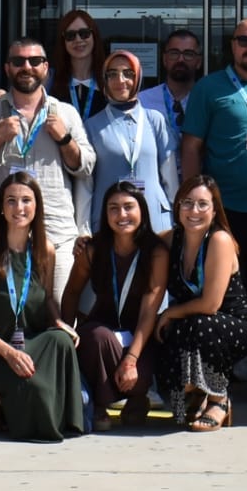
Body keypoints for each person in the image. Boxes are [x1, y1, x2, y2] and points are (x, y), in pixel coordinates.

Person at [178, 16, 247, 406]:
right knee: (222, 296)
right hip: (227, 214)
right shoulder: (209, 88)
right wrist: (190, 202)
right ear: (233, 45)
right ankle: (216, 376)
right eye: (245, 40)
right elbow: (192, 146)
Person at [0, 37, 96, 294]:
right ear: (7, 68)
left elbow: (87, 166)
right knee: (6, 318)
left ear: (46, 68)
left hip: (56, 234)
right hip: (2, 236)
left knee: (57, 313)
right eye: (18, 61)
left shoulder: (65, 113)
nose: (27, 66)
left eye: (35, 61)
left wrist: (64, 139)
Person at [0, 171, 86, 440]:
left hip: (29, 346)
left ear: (37, 207)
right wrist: (9, 354)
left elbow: (47, 299)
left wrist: (58, 322)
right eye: (11, 201)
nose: (19, 208)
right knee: (38, 391)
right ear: (2, 209)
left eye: (26, 200)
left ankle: (11, 404)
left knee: (61, 341)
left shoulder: (45, 251)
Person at [152, 174, 247, 431]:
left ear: (214, 210)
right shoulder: (169, 239)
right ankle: (196, 392)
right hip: (190, 322)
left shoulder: (219, 240)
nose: (194, 211)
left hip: (232, 324)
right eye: (187, 203)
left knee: (202, 323)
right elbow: (132, 244)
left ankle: (219, 398)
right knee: (168, 335)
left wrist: (170, 312)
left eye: (202, 204)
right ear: (177, 207)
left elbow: (211, 304)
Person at [61, 180, 167, 429]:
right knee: (94, 337)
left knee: (139, 373)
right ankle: (98, 404)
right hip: (104, 328)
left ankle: (138, 397)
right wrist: (66, 332)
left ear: (142, 210)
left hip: (141, 333)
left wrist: (131, 359)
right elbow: (72, 291)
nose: (122, 215)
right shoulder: (92, 249)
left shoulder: (156, 252)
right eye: (114, 208)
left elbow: (150, 309)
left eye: (129, 207)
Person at [85, 49, 176, 232]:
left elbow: (170, 176)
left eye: (128, 73)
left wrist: (177, 217)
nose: (120, 80)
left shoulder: (155, 120)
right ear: (104, 80)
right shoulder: (92, 125)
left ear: (138, 77)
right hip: (110, 221)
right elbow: (86, 184)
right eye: (113, 74)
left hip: (154, 219)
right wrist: (83, 228)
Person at [140, 28, 204, 137]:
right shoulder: (143, 101)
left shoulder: (207, 101)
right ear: (165, 59)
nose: (180, 59)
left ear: (198, 62)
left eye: (188, 54)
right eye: (174, 53)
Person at [49, 7, 109, 120]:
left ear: (94, 36)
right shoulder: (50, 80)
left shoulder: (109, 79)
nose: (78, 40)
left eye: (84, 33)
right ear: (63, 42)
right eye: (70, 35)